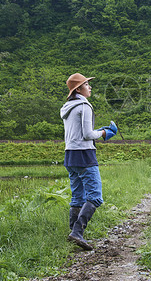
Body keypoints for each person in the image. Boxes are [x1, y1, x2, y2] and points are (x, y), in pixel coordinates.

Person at [60, 73, 117, 250]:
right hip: (85, 155)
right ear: (78, 89)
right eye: (86, 84)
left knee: (77, 196)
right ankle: (77, 232)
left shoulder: (68, 106)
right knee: (95, 196)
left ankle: (72, 232)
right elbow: (87, 135)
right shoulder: (85, 106)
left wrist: (96, 131)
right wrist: (104, 133)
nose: (89, 87)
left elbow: (79, 132)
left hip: (70, 155)